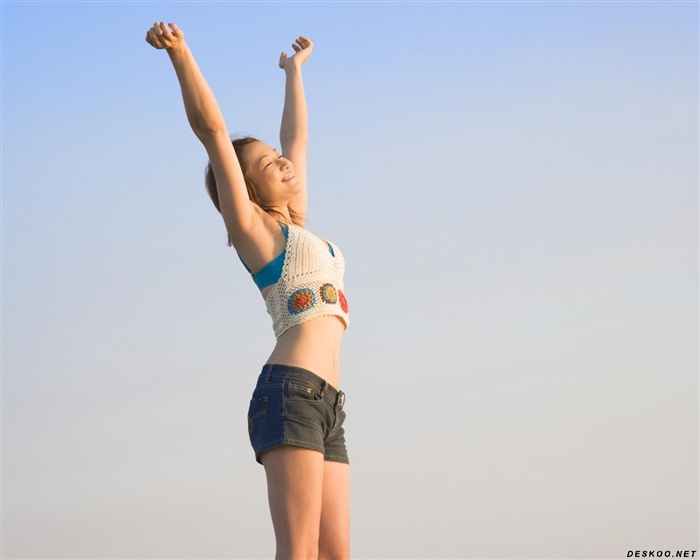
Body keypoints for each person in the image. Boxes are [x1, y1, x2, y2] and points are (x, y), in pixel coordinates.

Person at [146, 22, 350, 560]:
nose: (282, 162)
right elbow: (214, 133)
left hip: (328, 403)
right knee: (300, 554)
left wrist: (294, 74)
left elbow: (297, 139)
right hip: (291, 394)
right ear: (248, 189)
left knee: (335, 556)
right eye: (265, 165)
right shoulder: (257, 234)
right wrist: (181, 54)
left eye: (276, 159)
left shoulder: (300, 224)